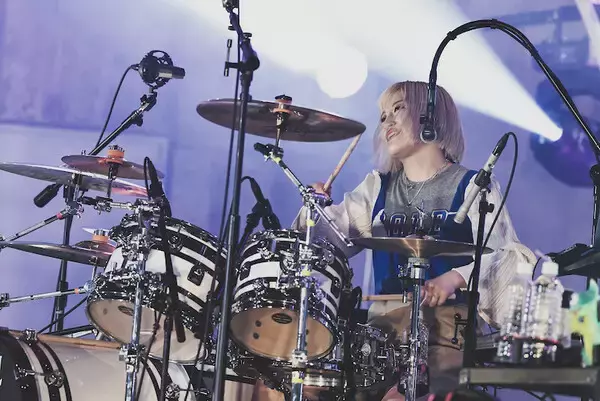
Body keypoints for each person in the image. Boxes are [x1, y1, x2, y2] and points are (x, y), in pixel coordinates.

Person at [252, 81, 536, 401]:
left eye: (398, 109)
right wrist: (313, 211)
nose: (387, 121)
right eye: (383, 115)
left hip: (446, 330)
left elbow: (505, 256)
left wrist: (454, 278)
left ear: (431, 116)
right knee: (291, 385)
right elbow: (320, 247)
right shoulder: (377, 187)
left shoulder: (473, 186)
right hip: (379, 336)